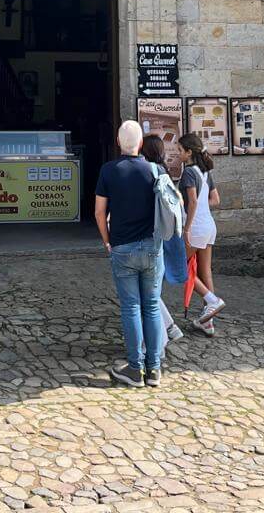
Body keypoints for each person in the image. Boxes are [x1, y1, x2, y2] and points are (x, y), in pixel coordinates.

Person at [94, 120, 165, 388]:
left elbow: (100, 211)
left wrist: (107, 241)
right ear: (140, 144)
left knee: (132, 307)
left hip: (123, 246)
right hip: (151, 246)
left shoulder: (109, 171)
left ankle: (135, 368)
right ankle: (154, 368)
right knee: (152, 305)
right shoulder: (155, 170)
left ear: (118, 142)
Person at [140, 134, 184, 348]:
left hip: (151, 238)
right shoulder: (163, 171)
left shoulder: (148, 172)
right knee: (150, 289)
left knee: (146, 291)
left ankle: (160, 341)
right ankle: (169, 327)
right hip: (163, 236)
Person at [179, 132, 224, 334]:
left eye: (180, 150)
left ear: (189, 152)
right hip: (209, 226)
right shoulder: (205, 172)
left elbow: (193, 201)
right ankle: (208, 320)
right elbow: (215, 200)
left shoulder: (189, 172)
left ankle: (213, 301)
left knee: (181, 268)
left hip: (196, 227)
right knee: (206, 273)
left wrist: (186, 227)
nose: (178, 153)